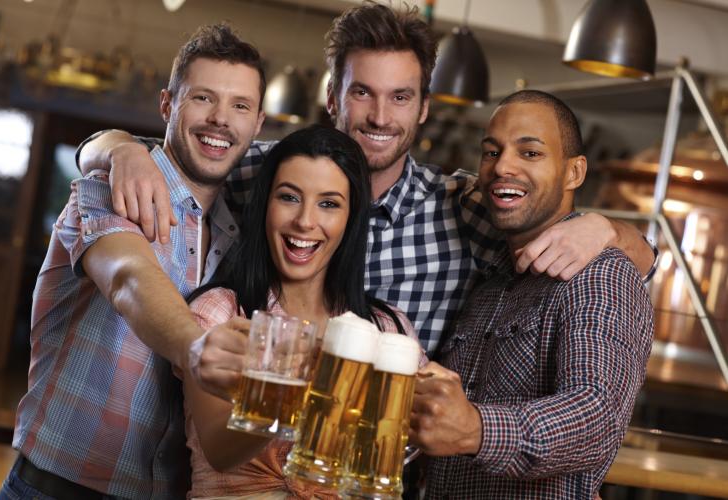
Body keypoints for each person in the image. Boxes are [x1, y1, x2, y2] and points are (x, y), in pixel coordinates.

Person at [76, 3, 655, 358]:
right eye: (362, 92)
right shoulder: (266, 173)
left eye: (400, 97)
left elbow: (612, 248)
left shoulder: (463, 209)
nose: (381, 116)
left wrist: (606, 229)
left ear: (423, 108)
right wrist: (116, 148)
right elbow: (179, 159)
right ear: (333, 98)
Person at [0, 24, 266, 499]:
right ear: (167, 105)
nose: (221, 119)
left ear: (258, 124)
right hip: (54, 489)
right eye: (203, 98)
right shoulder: (107, 185)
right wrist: (197, 348)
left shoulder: (240, 233)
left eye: (240, 105)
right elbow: (128, 280)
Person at [408, 90, 654, 499]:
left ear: (574, 173)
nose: (503, 166)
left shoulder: (600, 274)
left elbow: (596, 416)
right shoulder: (488, 280)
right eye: (491, 152)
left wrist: (476, 429)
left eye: (530, 153)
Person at [183, 125, 420, 499]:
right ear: (265, 206)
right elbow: (219, 451)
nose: (305, 221)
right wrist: (306, 377)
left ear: (351, 219)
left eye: (329, 204)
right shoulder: (220, 311)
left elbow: (400, 454)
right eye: (289, 197)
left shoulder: (388, 328)